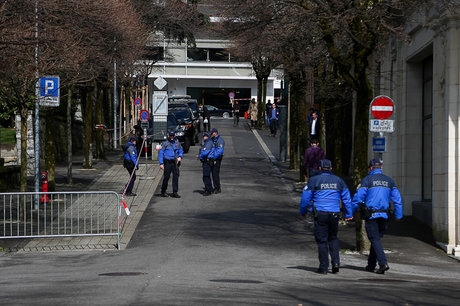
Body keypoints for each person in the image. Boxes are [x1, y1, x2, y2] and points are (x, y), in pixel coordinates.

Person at [349, 159, 403, 274]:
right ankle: (371, 265)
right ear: (381, 168)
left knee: (374, 239)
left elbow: (357, 199)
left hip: (371, 215)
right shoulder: (389, 181)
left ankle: (383, 263)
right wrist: (398, 214)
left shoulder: (367, 180)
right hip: (384, 216)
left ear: (371, 168)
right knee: (376, 240)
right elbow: (397, 200)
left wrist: (350, 213)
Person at [299, 159, 353, 274]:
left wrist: (303, 211)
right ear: (331, 169)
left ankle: (323, 267)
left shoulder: (314, 180)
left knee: (322, 241)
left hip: (320, 214)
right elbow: (347, 199)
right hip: (334, 214)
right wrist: (348, 214)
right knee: (333, 238)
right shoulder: (339, 181)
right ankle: (336, 264)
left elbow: (305, 198)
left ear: (319, 168)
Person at [159, 131, 184, 198]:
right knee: (166, 177)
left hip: (174, 162)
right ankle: (163, 191)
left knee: (176, 176)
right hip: (167, 162)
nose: (172, 137)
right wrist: (161, 163)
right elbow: (161, 153)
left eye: (173, 136)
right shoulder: (165, 144)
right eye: (171, 136)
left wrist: (180, 157)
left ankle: (175, 192)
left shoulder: (177, 143)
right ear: (168, 136)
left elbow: (180, 151)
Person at [209, 128, 225, 194]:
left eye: (212, 133)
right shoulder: (213, 140)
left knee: (215, 173)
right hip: (212, 158)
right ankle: (215, 186)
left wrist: (214, 157)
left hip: (217, 159)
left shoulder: (220, 141)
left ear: (215, 133)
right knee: (213, 173)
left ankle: (217, 188)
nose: (211, 134)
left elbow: (220, 151)